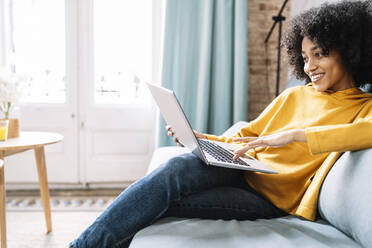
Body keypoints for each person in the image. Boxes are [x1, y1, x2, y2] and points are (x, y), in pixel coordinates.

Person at [69, 1, 372, 247]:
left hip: (268, 200)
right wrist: (198, 138)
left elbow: (363, 132)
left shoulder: (363, 108)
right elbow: (247, 136)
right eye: (304, 57)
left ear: (349, 51)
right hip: (242, 169)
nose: (309, 67)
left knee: (158, 198)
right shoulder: (296, 95)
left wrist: (296, 135)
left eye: (319, 54)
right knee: (172, 173)